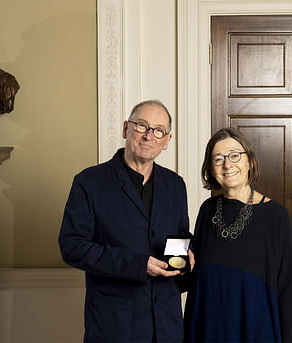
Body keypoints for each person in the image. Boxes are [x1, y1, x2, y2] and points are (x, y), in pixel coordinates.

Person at [58, 100, 195, 343]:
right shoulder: (89, 182)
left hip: (167, 326)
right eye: (141, 126)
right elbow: (72, 247)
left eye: (158, 130)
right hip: (115, 326)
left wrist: (188, 254)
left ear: (166, 140)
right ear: (125, 129)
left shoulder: (176, 185)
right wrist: (137, 265)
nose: (149, 136)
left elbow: (179, 235)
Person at [184, 128, 292, 342]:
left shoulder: (275, 215)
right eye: (218, 159)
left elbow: (287, 288)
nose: (227, 165)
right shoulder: (207, 209)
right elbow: (195, 279)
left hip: (254, 328)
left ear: (250, 161)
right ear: (210, 168)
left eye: (235, 155)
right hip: (207, 327)